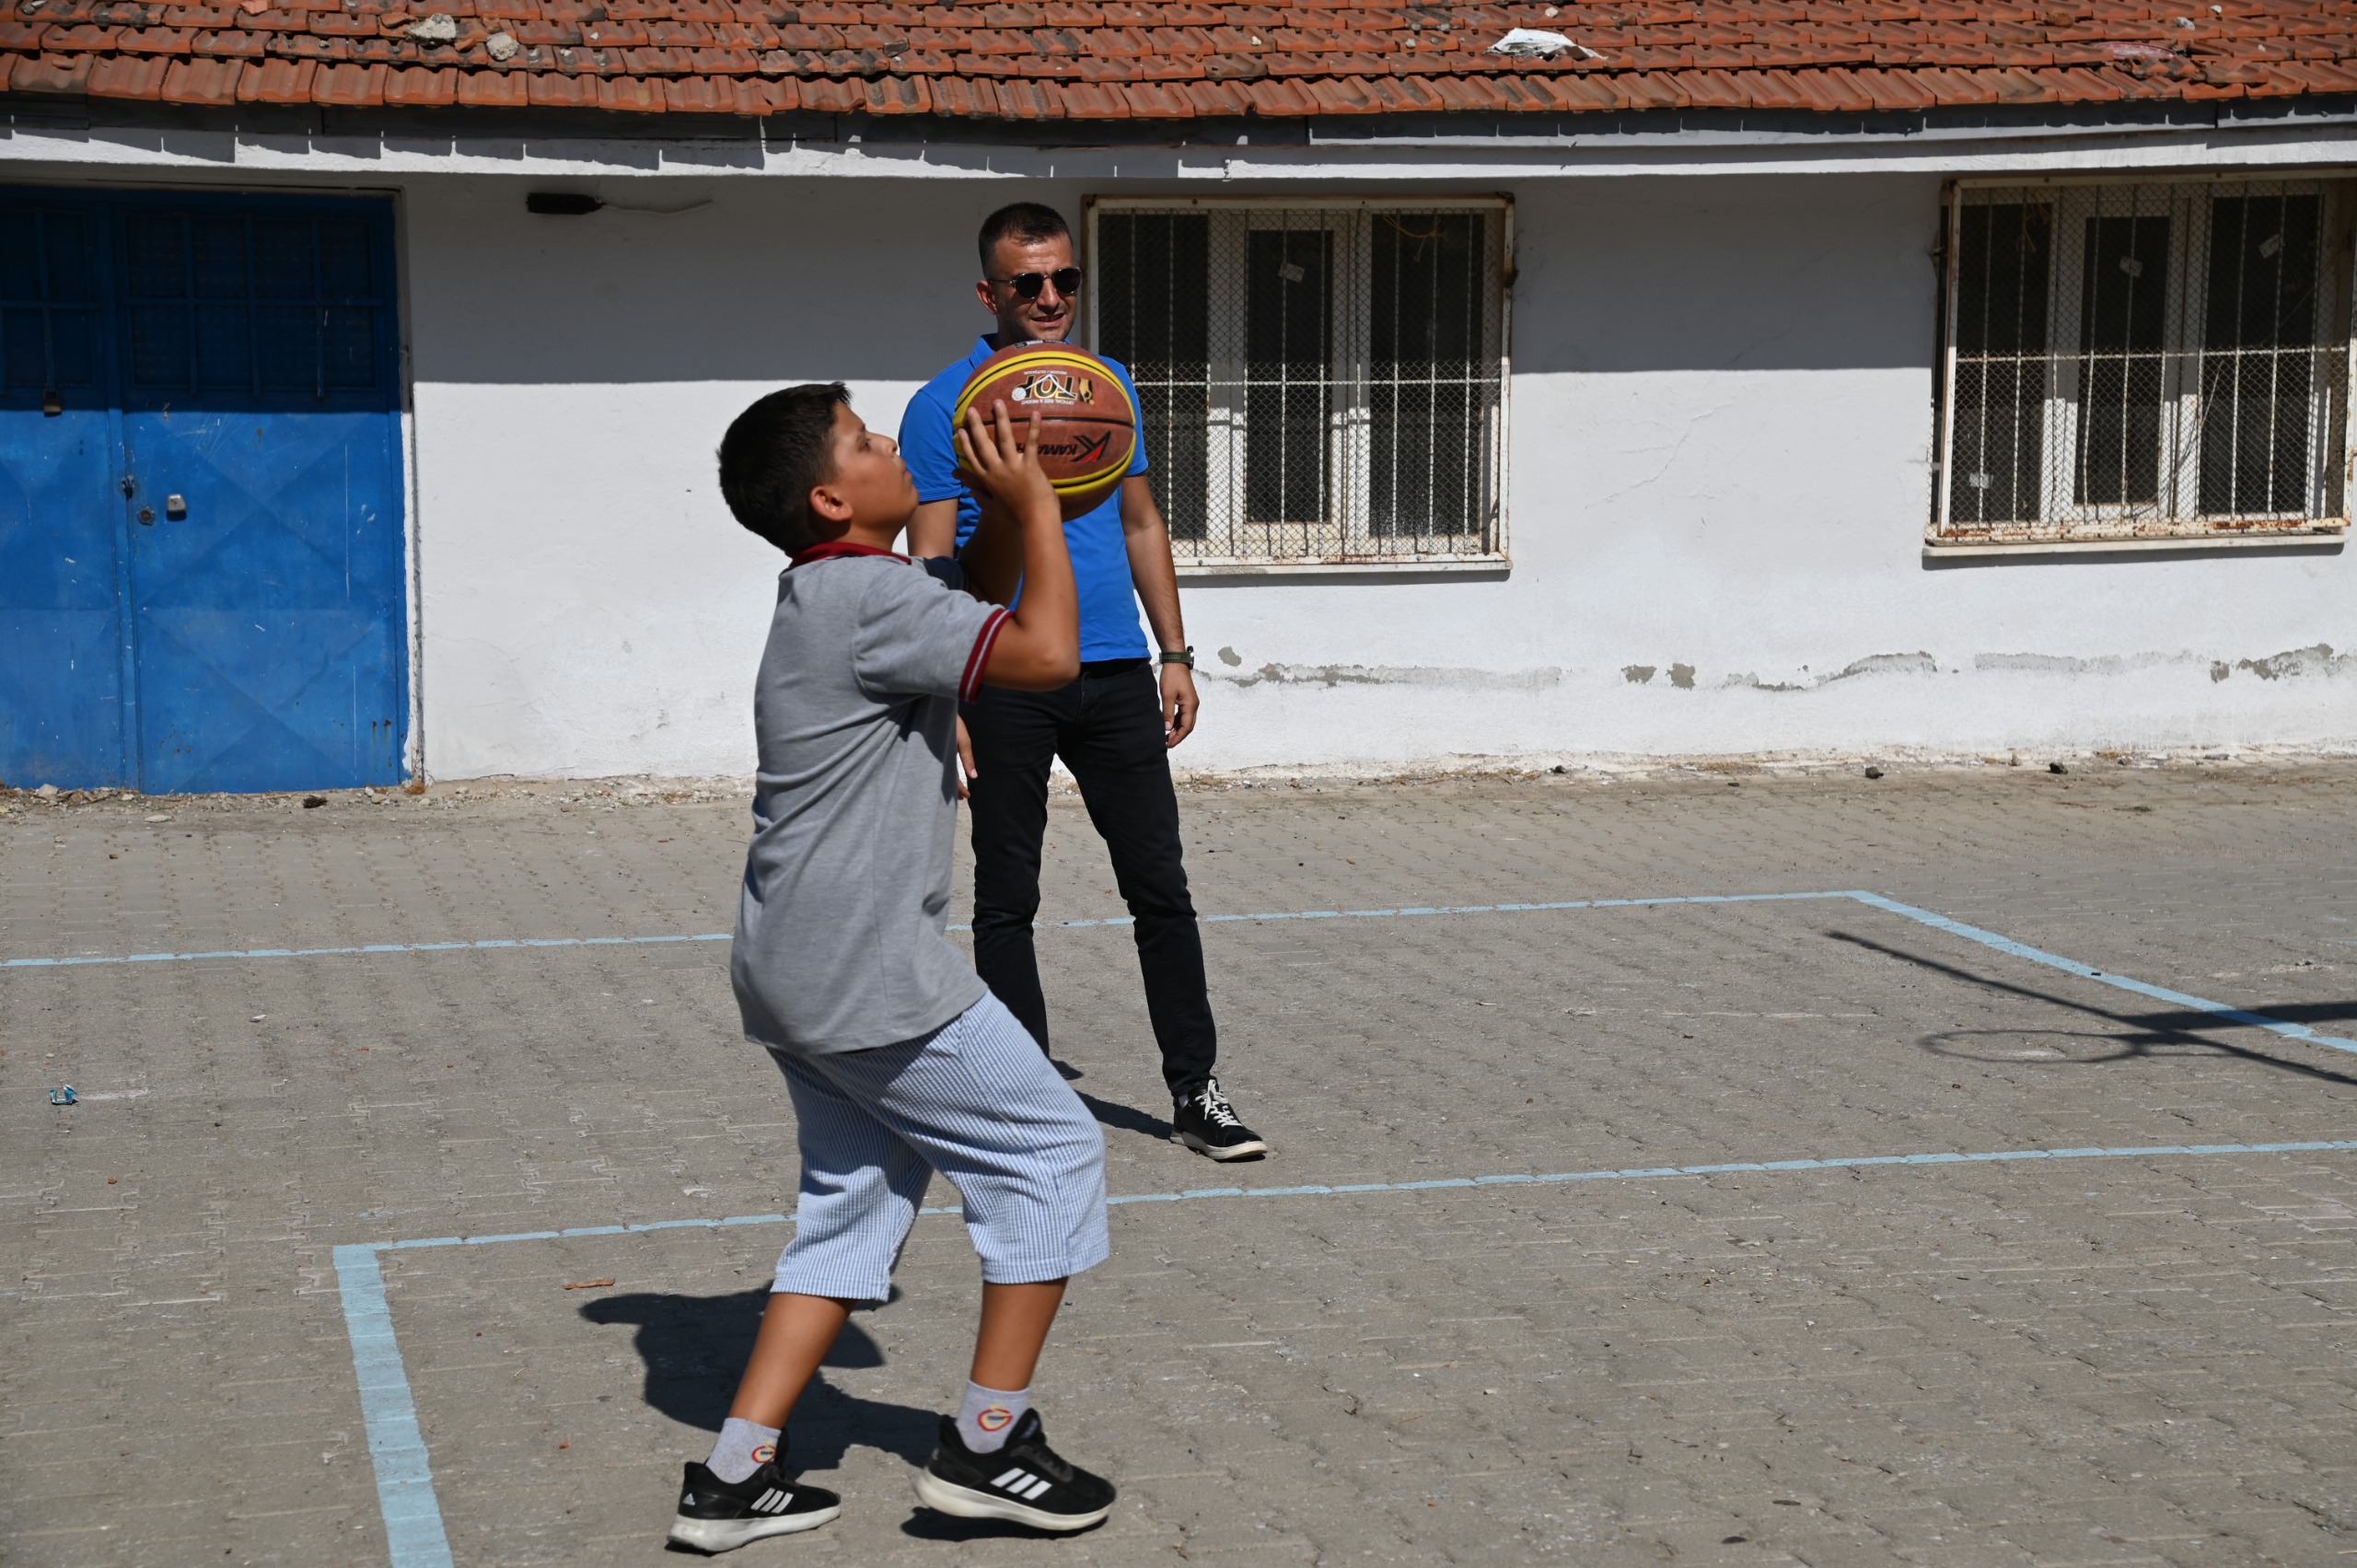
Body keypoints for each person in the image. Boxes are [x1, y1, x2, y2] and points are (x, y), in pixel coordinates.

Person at [666, 384, 1115, 1552]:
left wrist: (1007, 504)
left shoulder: (836, 589)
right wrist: (1049, 510)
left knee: (852, 1203)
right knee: (1053, 1154)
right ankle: (983, 1445)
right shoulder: (868, 596)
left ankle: (733, 1474)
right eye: (865, 442)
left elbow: (966, 592)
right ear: (832, 496)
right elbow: (1048, 652)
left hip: (789, 964)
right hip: (866, 970)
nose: (886, 447)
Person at [900, 201, 1267, 1162]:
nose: (1051, 297)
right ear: (990, 292)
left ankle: (1196, 1089)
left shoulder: (1105, 389)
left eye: (1065, 278)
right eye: (1028, 283)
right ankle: (1022, 1096)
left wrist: (1174, 652)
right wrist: (944, 694)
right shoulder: (945, 403)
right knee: (1007, 894)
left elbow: (1143, 522)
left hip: (1110, 669)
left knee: (1160, 886)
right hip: (1004, 673)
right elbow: (931, 558)